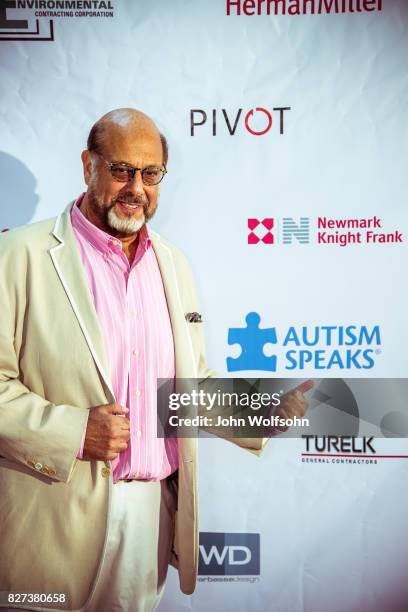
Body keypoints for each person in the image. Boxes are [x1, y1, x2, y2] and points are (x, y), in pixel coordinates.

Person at [0, 108, 311, 612]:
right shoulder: (18, 254)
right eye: (121, 170)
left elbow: (187, 388)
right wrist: (75, 431)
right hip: (51, 517)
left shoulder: (172, 263)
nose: (136, 188)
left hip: (149, 521)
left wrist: (260, 414)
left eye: (151, 174)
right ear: (88, 166)